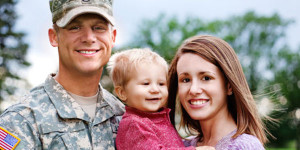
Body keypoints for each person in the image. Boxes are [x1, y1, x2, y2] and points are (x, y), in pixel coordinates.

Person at [0, 0, 124, 149]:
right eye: (75, 27)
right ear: (54, 36)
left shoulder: (121, 116)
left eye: (99, 28)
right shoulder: (21, 121)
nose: (89, 37)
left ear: (113, 37)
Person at [167, 35, 267, 149]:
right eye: (186, 80)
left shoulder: (245, 146)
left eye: (206, 78)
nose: (193, 89)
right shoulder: (182, 145)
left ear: (229, 86)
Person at [107, 48, 215, 150]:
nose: (155, 89)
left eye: (161, 83)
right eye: (146, 83)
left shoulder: (159, 118)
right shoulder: (134, 124)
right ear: (122, 93)